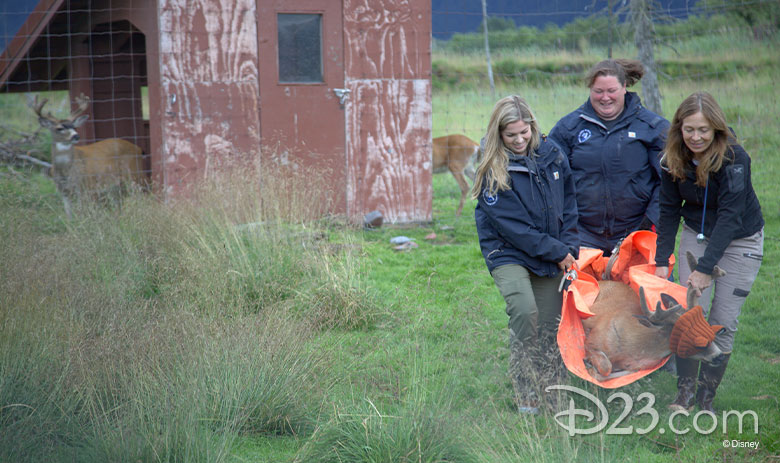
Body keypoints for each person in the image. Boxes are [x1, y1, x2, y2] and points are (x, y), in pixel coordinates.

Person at [654, 91, 764, 413]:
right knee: (691, 315)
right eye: (689, 129)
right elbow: (669, 210)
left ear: (716, 128)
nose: (696, 137)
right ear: (679, 128)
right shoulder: (671, 159)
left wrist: (704, 268)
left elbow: (731, 217)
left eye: (704, 130)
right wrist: (663, 261)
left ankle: (706, 400)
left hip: (739, 239)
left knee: (723, 320)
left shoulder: (735, 159)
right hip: (696, 234)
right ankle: (684, 396)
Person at [472, 95, 580, 413]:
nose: (519, 140)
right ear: (499, 135)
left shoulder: (553, 155)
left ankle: (550, 390)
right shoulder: (493, 169)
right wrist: (558, 251)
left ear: (533, 127)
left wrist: (569, 249)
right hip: (508, 252)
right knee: (524, 311)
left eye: (525, 132)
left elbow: (570, 205)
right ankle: (525, 391)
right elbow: (515, 229)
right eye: (511, 135)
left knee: (550, 324)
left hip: (550, 251)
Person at [548, 59, 669, 254]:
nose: (605, 98)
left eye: (611, 90)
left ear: (624, 87)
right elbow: (552, 180)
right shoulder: (567, 129)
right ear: (590, 90)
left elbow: (669, 181)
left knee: (644, 285)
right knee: (583, 286)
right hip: (582, 234)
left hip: (639, 231)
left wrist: (651, 221)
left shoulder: (653, 128)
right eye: (598, 91)